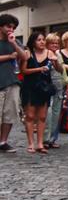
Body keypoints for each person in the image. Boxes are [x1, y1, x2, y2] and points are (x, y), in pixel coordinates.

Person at [21, 32, 61, 154]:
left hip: (44, 88)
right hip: (30, 87)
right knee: (30, 116)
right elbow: (23, 71)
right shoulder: (28, 53)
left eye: (43, 39)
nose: (42, 42)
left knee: (42, 117)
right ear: (33, 42)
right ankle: (31, 144)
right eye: (39, 40)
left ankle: (40, 143)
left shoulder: (50, 53)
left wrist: (55, 61)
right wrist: (39, 69)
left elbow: (59, 70)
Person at [0, 14, 26, 153]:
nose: (11, 29)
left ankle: (3, 141)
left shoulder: (14, 42)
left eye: (13, 27)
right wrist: (9, 57)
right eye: (8, 26)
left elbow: (25, 57)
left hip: (12, 81)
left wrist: (14, 44)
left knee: (9, 113)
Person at [43, 33, 68, 149]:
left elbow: (61, 70)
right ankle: (45, 139)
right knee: (47, 113)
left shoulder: (58, 55)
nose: (55, 45)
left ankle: (52, 139)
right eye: (52, 43)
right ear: (47, 44)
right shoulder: (44, 54)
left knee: (56, 113)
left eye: (57, 43)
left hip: (59, 87)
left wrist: (65, 84)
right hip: (48, 87)